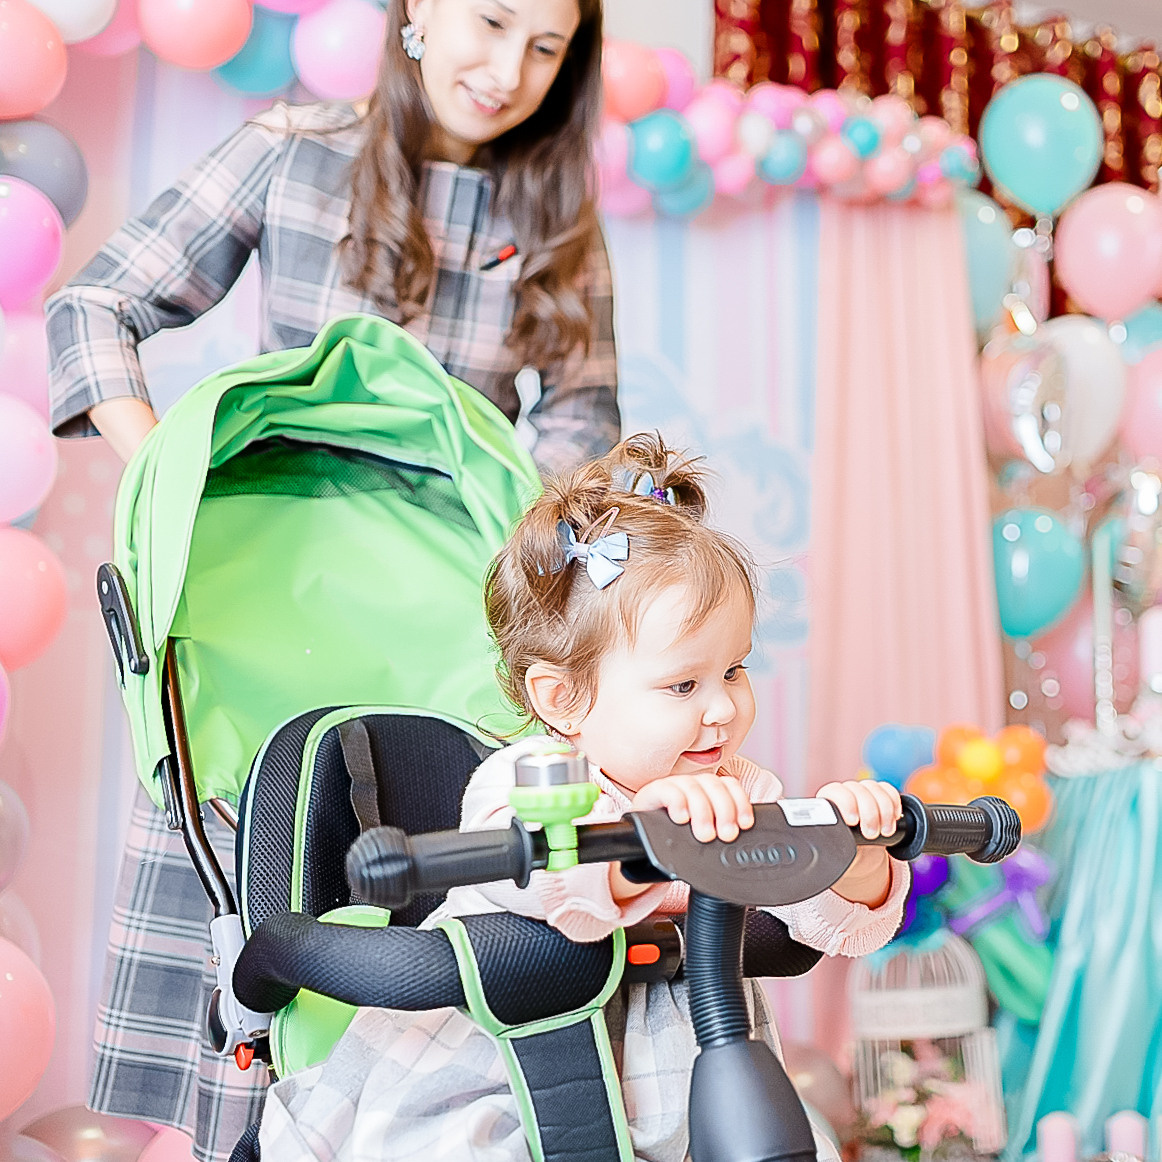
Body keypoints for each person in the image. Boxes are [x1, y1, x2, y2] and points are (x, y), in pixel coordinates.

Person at [46, 2, 617, 1158]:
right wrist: (171, 472)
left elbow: (584, 435)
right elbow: (96, 303)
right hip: (268, 622)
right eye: (491, 22)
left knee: (422, 1018)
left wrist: (536, 564)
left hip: (451, 647)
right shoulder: (299, 148)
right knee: (253, 975)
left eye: (545, 48)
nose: (507, 69)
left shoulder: (557, 218)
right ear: (417, 18)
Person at [258, 432, 910, 1162]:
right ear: (563, 698)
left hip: (693, 1089)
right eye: (682, 685)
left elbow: (827, 921)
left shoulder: (741, 790)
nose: (723, 708)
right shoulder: (536, 778)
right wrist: (649, 844)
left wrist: (853, 857)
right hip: (503, 1077)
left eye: (735, 670)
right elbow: (548, 880)